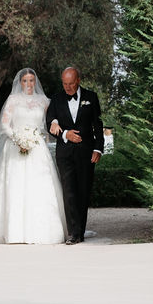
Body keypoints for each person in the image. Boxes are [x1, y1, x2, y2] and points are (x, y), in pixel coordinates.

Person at [0, 68, 67, 244]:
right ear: (20, 83)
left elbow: (52, 118)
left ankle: (42, 231)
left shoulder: (43, 101)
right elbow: (4, 125)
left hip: (37, 147)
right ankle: (13, 231)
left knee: (39, 187)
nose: (29, 84)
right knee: (15, 186)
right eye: (25, 81)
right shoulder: (13, 100)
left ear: (35, 82)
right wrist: (18, 138)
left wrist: (49, 126)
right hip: (15, 146)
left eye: (31, 80)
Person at [46, 66, 103, 244]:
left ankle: (81, 231)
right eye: (65, 84)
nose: (68, 87)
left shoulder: (91, 97)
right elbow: (50, 123)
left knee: (83, 192)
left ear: (78, 80)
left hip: (87, 152)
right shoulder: (55, 99)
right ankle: (73, 234)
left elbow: (98, 125)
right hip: (64, 153)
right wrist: (65, 134)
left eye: (71, 83)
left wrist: (98, 148)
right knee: (69, 192)